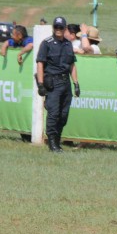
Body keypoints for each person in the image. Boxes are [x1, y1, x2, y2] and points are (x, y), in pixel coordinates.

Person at [35, 17, 80, 153]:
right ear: (53, 28)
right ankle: (52, 143)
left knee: (64, 115)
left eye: (61, 27)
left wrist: (76, 83)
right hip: (53, 83)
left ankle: (57, 140)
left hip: (66, 82)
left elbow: (72, 64)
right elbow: (40, 63)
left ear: (65, 28)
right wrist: (41, 84)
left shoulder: (68, 44)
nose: (58, 30)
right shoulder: (46, 43)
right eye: (56, 27)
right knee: (53, 114)